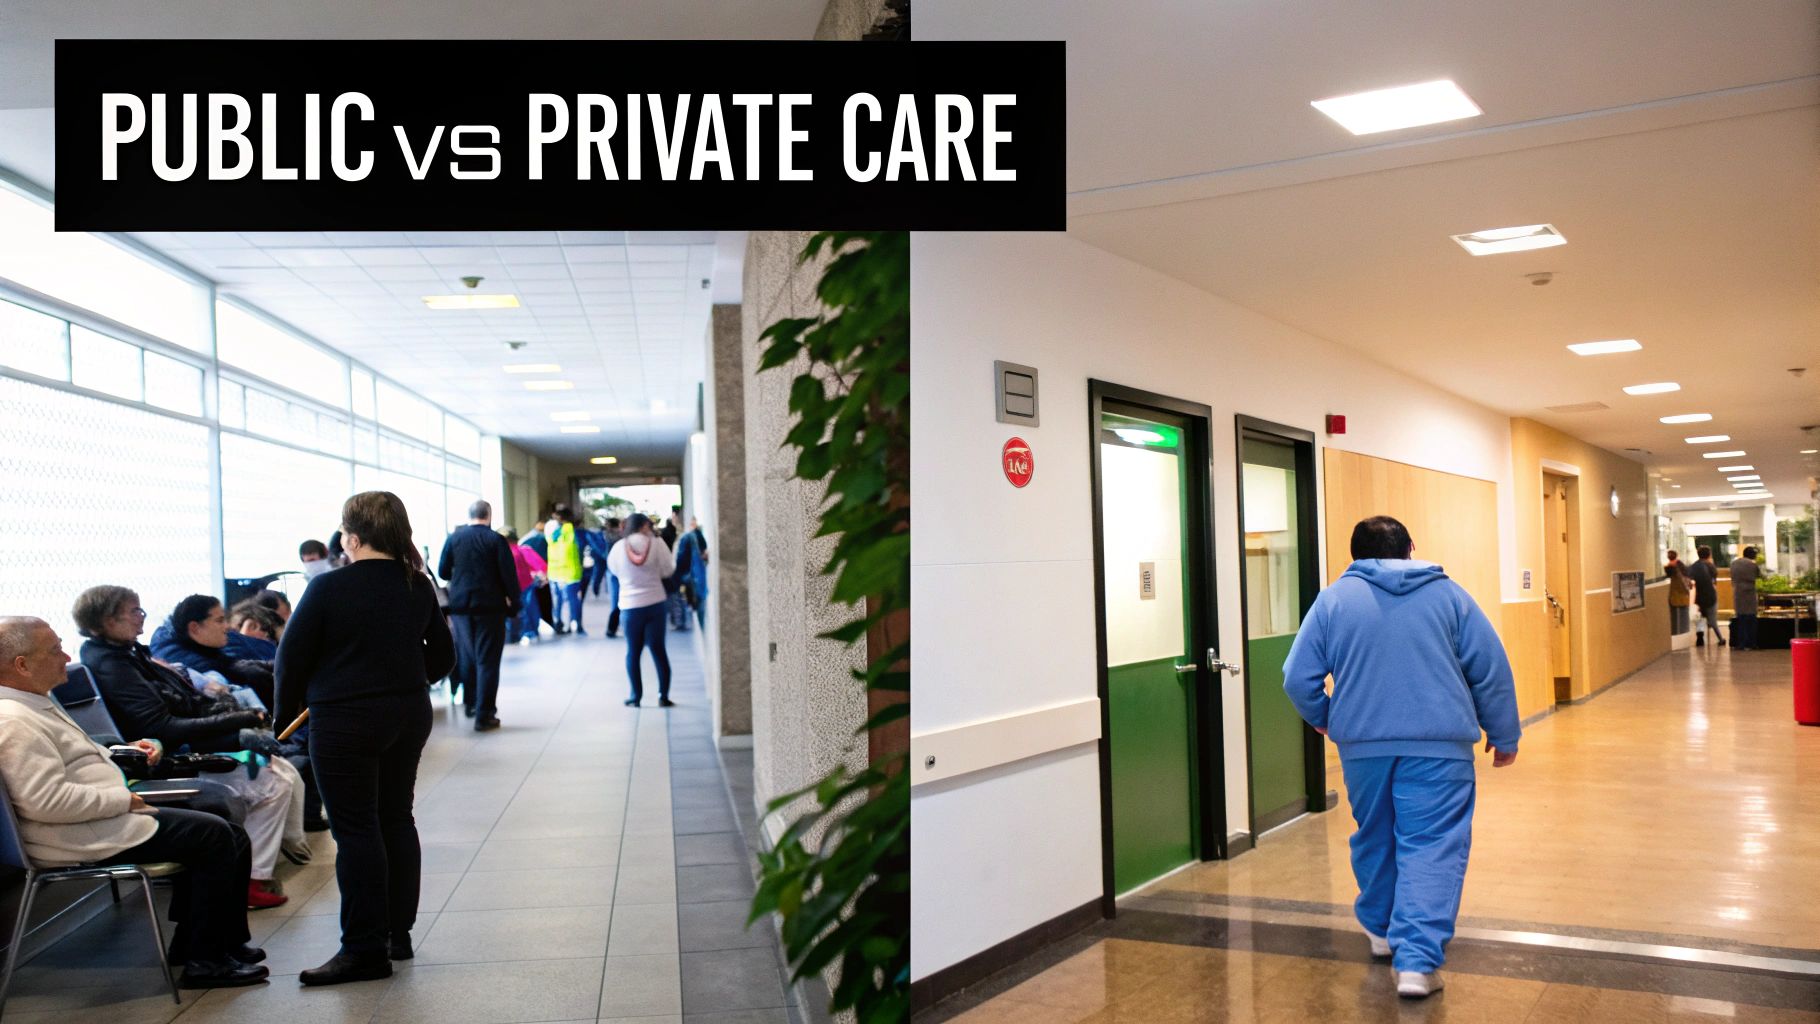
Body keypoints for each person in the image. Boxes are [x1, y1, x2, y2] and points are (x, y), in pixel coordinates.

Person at [1281, 516, 1520, 999]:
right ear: (1412, 547)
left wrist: (1328, 717)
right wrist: (1504, 733)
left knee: (1375, 834)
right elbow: (1489, 669)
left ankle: (1380, 930)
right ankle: (1416, 962)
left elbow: (1296, 676)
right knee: (1431, 844)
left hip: (1364, 748)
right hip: (1439, 748)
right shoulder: (1451, 597)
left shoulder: (1333, 601)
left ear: (1355, 555)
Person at [0, 616, 269, 988]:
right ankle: (205, 963)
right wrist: (123, 801)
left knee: (223, 825)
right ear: (22, 665)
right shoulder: (13, 720)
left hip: (92, 820)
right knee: (213, 835)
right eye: (54, 649)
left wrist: (121, 752)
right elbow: (45, 801)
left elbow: (74, 761)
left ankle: (213, 942)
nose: (65, 656)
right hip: (73, 835)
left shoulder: (33, 705)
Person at [274, 491, 455, 986]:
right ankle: (399, 934)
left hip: (344, 720)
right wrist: (406, 677)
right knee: (395, 817)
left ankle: (363, 949)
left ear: (351, 537)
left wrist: (282, 718)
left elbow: (291, 660)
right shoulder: (416, 584)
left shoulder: (329, 588)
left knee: (355, 831)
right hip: (406, 712)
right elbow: (443, 656)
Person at [73, 586, 306, 907]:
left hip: (176, 747)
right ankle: (252, 878)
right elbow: (160, 728)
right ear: (106, 619)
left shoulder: (128, 654)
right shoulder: (114, 664)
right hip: (165, 758)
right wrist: (238, 721)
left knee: (277, 772)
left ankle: (256, 872)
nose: (142, 618)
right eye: (133, 611)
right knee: (270, 782)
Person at [437, 500, 519, 731]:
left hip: (461, 606)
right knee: (488, 660)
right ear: (489, 515)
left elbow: (443, 571)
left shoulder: (454, 538)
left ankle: (470, 703)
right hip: (490, 607)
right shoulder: (495, 540)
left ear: (469, 515)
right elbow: (508, 575)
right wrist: (515, 603)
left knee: (466, 655)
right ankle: (485, 715)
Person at [150, 596, 276, 709]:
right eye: (219, 620)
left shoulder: (198, 646)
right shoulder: (183, 661)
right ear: (195, 628)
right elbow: (229, 667)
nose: (227, 627)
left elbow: (230, 664)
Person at [606, 513, 677, 708]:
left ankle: (635, 696)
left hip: (629, 605)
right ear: (645, 525)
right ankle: (663, 696)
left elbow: (613, 570)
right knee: (658, 650)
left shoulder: (619, 548)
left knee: (633, 652)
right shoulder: (657, 543)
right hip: (655, 602)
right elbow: (668, 570)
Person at [545, 507, 585, 635]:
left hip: (554, 571)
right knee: (574, 599)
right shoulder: (574, 531)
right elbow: (582, 550)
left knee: (558, 600)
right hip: (571, 572)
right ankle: (576, 623)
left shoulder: (552, 532)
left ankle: (558, 623)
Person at [507, 529, 548, 644]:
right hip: (526, 584)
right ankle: (531, 632)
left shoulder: (500, 552)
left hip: (512, 587)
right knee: (529, 608)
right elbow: (541, 566)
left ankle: (519, 634)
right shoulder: (523, 549)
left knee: (518, 611)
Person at [521, 520, 558, 634]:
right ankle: (549, 623)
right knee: (545, 603)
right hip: (543, 576)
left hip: (529, 578)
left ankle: (533, 629)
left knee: (531, 605)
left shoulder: (525, 539)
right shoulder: (548, 540)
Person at [1686, 546, 1725, 647]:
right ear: (1709, 555)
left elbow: (1690, 581)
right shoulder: (1710, 566)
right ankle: (1720, 638)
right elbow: (1714, 580)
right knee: (1712, 619)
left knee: (1700, 618)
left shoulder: (1693, 567)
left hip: (1699, 596)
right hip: (1711, 596)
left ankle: (1700, 636)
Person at [1729, 546, 1764, 650]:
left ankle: (1741, 644)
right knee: (1751, 620)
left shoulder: (1734, 563)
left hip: (1738, 594)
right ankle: (1752, 643)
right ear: (1752, 555)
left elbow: (1732, 577)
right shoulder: (1753, 565)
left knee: (1741, 620)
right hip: (1750, 595)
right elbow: (1759, 577)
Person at [602, 517, 624, 637]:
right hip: (621, 570)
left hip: (611, 570)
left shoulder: (607, 536)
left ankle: (612, 628)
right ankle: (617, 625)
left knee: (615, 600)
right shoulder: (622, 537)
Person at [1665, 559, 1692, 636]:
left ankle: (1678, 638)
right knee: (1684, 621)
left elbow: (1683, 587)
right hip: (1685, 600)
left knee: (1676, 622)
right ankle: (1684, 636)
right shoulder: (1686, 575)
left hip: (1676, 601)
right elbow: (1689, 587)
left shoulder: (1676, 576)